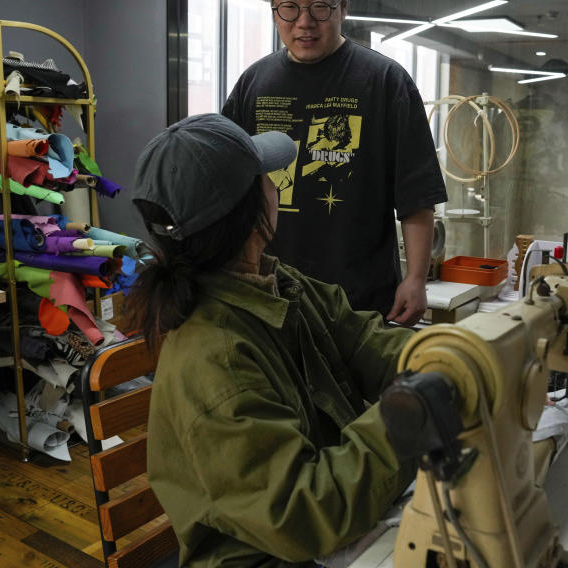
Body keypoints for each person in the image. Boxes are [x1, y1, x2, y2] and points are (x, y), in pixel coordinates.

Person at [127, 113, 416, 568]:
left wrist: (445, 357)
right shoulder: (217, 360)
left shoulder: (277, 285)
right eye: (266, 176)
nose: (276, 184)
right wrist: (410, 415)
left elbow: (365, 343)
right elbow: (300, 515)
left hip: (319, 532)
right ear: (248, 211)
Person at [222, 0, 447, 327]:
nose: (304, 22)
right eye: (289, 6)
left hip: (359, 300)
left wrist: (415, 278)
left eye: (320, 6)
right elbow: (227, 186)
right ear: (274, 9)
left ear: (344, 4)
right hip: (270, 295)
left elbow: (416, 195)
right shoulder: (253, 84)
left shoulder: (385, 82)